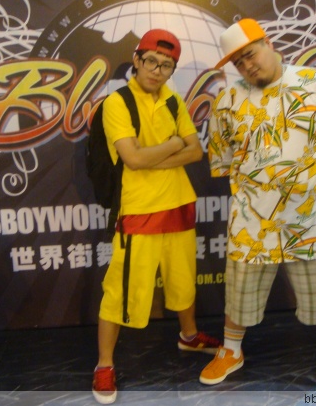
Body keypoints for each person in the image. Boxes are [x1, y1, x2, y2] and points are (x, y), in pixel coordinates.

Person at [200, 18, 316, 385]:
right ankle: (230, 350)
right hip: (252, 219)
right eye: (238, 63)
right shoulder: (227, 102)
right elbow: (223, 159)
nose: (247, 66)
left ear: (269, 43)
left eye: (250, 54)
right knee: (239, 291)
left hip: (309, 218)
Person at [93, 29, 220, 404]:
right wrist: (173, 144)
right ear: (136, 60)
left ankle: (189, 336)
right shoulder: (117, 103)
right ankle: (104, 364)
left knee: (183, 282)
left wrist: (155, 156)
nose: (157, 70)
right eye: (151, 61)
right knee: (121, 292)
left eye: (166, 65)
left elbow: (196, 152)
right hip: (138, 211)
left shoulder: (173, 100)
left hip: (179, 206)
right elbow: (132, 159)